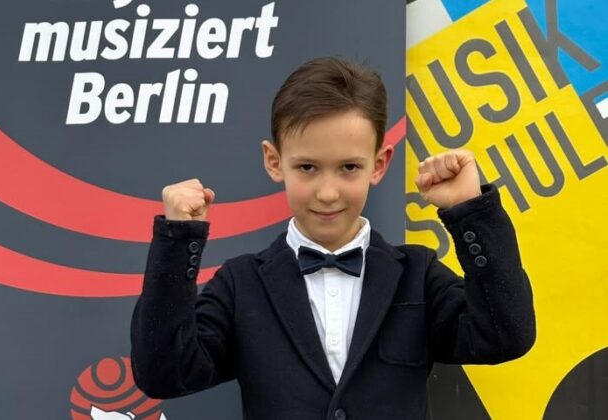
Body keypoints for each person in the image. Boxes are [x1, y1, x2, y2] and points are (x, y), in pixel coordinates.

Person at [130, 56, 536, 419]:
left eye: (349, 168)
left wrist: (470, 211)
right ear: (274, 161)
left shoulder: (417, 273)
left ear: (379, 164)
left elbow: (505, 336)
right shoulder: (241, 284)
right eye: (307, 167)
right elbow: (164, 373)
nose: (327, 193)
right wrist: (177, 241)